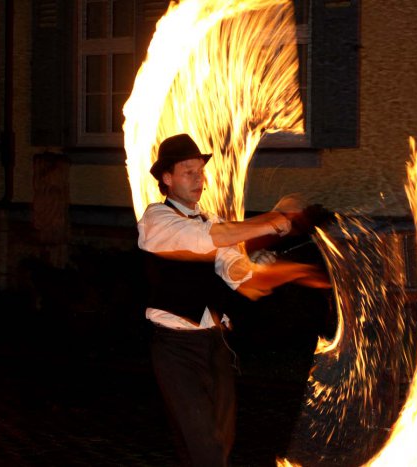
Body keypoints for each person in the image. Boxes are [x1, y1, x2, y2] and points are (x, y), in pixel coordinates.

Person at [137, 133, 326, 466]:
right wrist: (269, 222)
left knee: (220, 441)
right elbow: (211, 238)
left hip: (217, 345)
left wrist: (263, 267)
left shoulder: (212, 220)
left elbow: (239, 276)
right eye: (188, 172)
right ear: (166, 178)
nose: (199, 179)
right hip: (176, 349)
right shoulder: (157, 219)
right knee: (204, 445)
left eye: (200, 171)